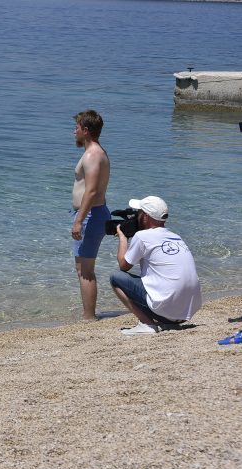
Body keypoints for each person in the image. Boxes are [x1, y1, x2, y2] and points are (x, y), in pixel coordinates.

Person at [110, 196, 202, 335]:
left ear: (146, 217)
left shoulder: (142, 236)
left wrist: (123, 238)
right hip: (185, 313)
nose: (137, 216)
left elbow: (123, 266)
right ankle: (166, 319)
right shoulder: (176, 236)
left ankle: (147, 324)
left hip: (166, 310)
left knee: (115, 277)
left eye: (139, 213)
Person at [71, 110, 111, 321]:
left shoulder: (92, 155)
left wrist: (78, 221)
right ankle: (88, 314)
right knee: (84, 268)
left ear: (85, 131)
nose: (73, 132)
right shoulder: (96, 152)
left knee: (85, 270)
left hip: (90, 215)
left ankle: (88, 317)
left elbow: (92, 191)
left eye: (76, 128)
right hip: (93, 213)